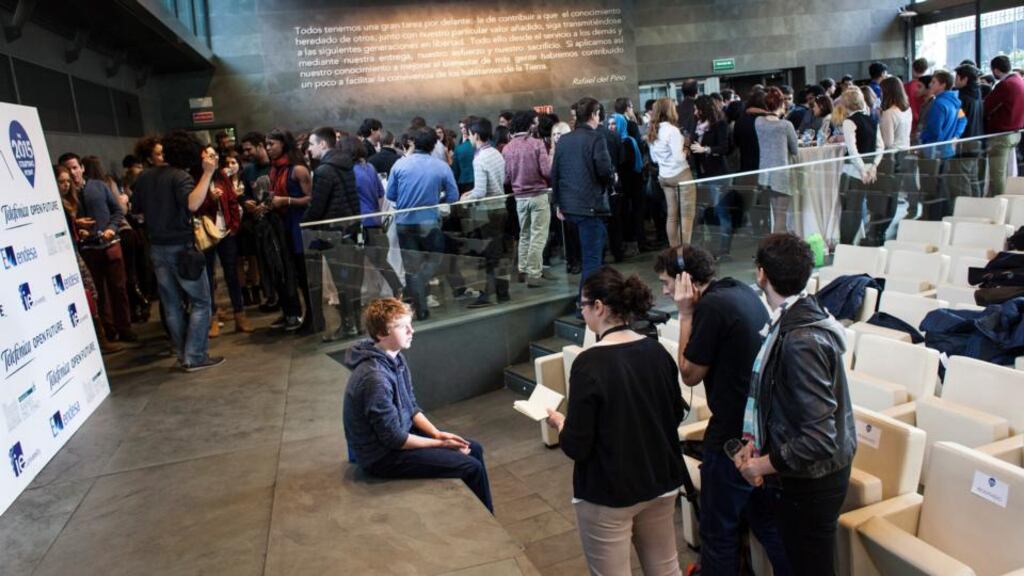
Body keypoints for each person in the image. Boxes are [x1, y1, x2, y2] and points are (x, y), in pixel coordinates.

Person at [656, 246, 790, 576]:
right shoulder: (738, 289)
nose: (664, 291)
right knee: (767, 524)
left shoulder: (711, 307)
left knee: (717, 531)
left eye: (666, 283)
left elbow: (689, 373)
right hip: (760, 429)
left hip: (732, 436)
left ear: (686, 279)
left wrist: (685, 314)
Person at [545, 267, 685, 576]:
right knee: (666, 569)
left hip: (609, 491)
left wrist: (559, 423)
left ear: (598, 307)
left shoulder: (589, 363)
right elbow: (675, 413)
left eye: (582, 306)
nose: (582, 314)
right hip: (660, 479)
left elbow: (577, 445)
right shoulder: (656, 350)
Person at [734, 233, 856, 576]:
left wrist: (761, 466)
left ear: (761, 275)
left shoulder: (801, 340)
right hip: (803, 477)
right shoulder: (797, 321)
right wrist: (754, 444)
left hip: (811, 483)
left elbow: (819, 439)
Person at [343, 298, 492, 510]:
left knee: (473, 448)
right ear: (381, 334)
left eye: (409, 324)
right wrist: (440, 444)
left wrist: (437, 433)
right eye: (402, 326)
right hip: (381, 456)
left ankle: (483, 513)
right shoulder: (374, 378)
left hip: (398, 437)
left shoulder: (395, 358)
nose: (411, 331)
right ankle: (487, 526)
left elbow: (410, 406)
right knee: (470, 467)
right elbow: (394, 439)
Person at [132, 131, 225, 372]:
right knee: (202, 301)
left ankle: (183, 354)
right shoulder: (180, 176)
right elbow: (193, 203)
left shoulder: (143, 178)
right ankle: (194, 356)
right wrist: (207, 173)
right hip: (181, 247)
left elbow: (137, 213)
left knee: (171, 304)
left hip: (157, 247)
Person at [59, 152, 136, 343]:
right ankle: (108, 331)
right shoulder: (64, 196)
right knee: (97, 293)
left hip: (110, 244)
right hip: (88, 250)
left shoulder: (99, 186)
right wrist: (77, 225)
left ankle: (125, 328)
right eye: (68, 170)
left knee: (119, 288)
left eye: (75, 167)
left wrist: (111, 228)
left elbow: (117, 211)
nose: (73, 173)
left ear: (82, 168)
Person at [386, 127, 459, 320]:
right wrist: (436, 198)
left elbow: (390, 195)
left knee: (411, 267)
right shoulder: (441, 166)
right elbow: (453, 196)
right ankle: (420, 296)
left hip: (403, 222)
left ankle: (421, 309)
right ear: (434, 144)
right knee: (435, 258)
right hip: (429, 221)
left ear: (413, 143)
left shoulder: (399, 165)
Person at [550, 97, 616, 304]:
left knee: (587, 257)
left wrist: (558, 203)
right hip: (590, 207)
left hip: (569, 208)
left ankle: (592, 302)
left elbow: (555, 174)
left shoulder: (564, 141)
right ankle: (586, 305)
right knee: (592, 260)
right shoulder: (596, 139)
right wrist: (612, 179)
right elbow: (604, 170)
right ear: (595, 115)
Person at [303, 128, 363, 338]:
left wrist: (303, 223)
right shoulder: (346, 165)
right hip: (350, 229)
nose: (309, 149)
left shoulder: (323, 171)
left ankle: (348, 325)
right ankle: (356, 322)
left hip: (333, 233)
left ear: (322, 144)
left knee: (342, 281)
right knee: (352, 280)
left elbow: (318, 206)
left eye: (311, 144)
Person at [196, 146, 252, 336]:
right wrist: (210, 199)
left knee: (232, 274)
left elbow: (232, 202)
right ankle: (213, 319)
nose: (214, 158)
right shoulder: (197, 177)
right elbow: (195, 206)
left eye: (215, 155)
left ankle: (240, 315)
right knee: (209, 276)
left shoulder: (222, 176)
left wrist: (234, 226)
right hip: (208, 233)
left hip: (227, 230)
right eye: (209, 155)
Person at [265, 129, 313, 331]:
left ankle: (312, 316)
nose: (268, 148)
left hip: (298, 224)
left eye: (271, 144)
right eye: (266, 144)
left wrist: (286, 200)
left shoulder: (298, 169)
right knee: (288, 272)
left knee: (304, 274)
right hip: (282, 224)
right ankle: (294, 313)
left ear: (283, 144)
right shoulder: (274, 169)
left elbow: (310, 199)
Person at [459, 118, 509, 308]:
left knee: (490, 256)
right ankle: (503, 292)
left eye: (470, 134)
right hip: (500, 208)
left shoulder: (479, 159)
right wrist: (471, 192)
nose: (469, 138)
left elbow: (480, 191)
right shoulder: (496, 153)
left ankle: (487, 295)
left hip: (488, 212)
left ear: (476, 135)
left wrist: (466, 199)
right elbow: (500, 181)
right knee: (499, 254)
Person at [503, 110, 553, 287]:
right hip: (538, 195)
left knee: (524, 234)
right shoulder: (537, 144)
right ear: (530, 124)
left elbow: (506, 178)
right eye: (535, 122)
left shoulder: (507, 148)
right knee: (538, 235)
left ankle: (522, 269)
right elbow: (547, 171)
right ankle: (534, 273)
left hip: (519, 198)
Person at [839, 88, 885, 245]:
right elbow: (880, 146)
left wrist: (862, 169)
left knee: (850, 211)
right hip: (869, 171)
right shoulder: (872, 119)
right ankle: (855, 242)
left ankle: (846, 244)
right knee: (859, 210)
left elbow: (852, 151)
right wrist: (873, 166)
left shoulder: (849, 122)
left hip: (853, 172)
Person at [690, 95, 734, 258]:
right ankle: (711, 248)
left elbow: (724, 147)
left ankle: (724, 250)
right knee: (707, 213)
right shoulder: (698, 125)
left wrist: (706, 149)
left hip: (718, 174)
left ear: (704, 109)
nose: (695, 112)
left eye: (697, 109)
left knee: (721, 212)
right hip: (703, 175)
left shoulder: (720, 124)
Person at [648, 97, 696, 247]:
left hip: (664, 177)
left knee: (672, 216)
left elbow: (654, 159)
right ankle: (684, 253)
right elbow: (679, 158)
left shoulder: (653, 131)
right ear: (670, 111)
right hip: (681, 175)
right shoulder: (673, 131)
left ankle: (674, 251)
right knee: (687, 216)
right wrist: (686, 146)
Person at [239, 131, 277, 311]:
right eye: (244, 151)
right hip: (258, 224)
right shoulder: (247, 171)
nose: (246, 154)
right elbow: (244, 193)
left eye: (249, 149)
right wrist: (246, 201)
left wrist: (268, 205)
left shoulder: (275, 167)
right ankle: (271, 297)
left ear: (260, 146)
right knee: (264, 264)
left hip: (276, 222)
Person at [755, 87, 799, 233]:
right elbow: (795, 150)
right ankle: (779, 248)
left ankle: (777, 247)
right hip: (782, 174)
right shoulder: (785, 125)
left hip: (766, 174)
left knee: (776, 214)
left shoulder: (759, 122)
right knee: (781, 217)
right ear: (782, 104)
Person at [984, 55, 1024, 196]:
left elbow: (987, 105)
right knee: (1010, 171)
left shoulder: (1005, 85)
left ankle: (999, 203)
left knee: (998, 174)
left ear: (996, 70)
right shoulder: (1019, 80)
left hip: (1001, 135)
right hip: (1015, 132)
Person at [919, 70, 967, 160]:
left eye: (934, 82)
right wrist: (956, 136)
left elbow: (934, 131)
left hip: (934, 151)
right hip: (948, 150)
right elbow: (963, 120)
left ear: (943, 85)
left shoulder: (938, 104)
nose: (930, 85)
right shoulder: (954, 102)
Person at [880, 76, 912, 150]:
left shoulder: (889, 113)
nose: (880, 94)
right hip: (906, 149)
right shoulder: (908, 109)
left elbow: (887, 143)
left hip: (892, 155)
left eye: (881, 91)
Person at [452, 116, 477, 193]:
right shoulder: (460, 144)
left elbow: (455, 171)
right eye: (461, 128)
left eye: (464, 127)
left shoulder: (460, 148)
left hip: (465, 181)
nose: (463, 130)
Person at [905, 57, 930, 134]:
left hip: (912, 125)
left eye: (920, 87)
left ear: (912, 68)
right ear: (925, 69)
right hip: (923, 123)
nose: (917, 90)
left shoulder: (907, 86)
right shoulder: (928, 85)